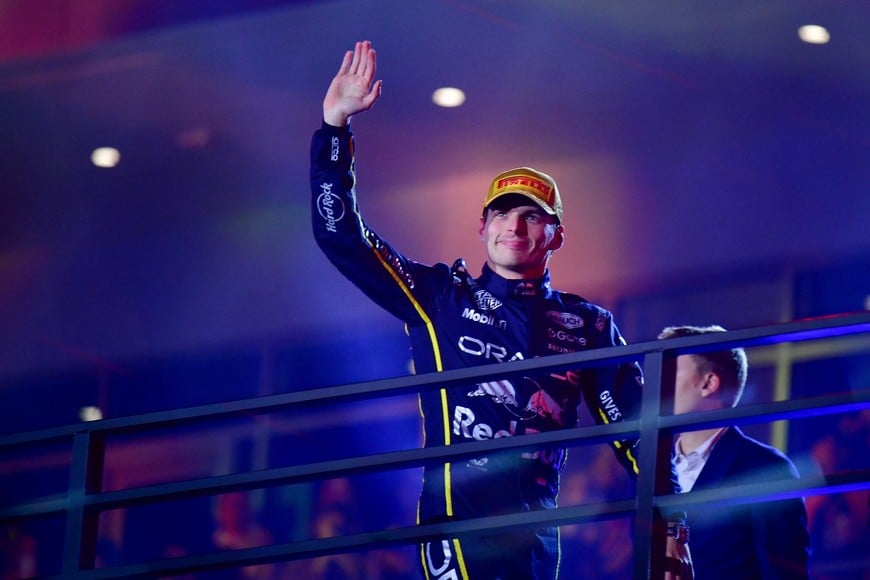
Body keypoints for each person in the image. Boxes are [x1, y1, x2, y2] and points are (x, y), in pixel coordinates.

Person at [310, 40, 691, 579]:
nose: (514, 226)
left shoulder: (586, 324)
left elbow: (637, 432)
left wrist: (670, 532)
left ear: (557, 235)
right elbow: (342, 238)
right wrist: (334, 130)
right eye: (502, 213)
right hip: (456, 525)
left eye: (532, 217)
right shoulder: (441, 296)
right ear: (482, 227)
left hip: (538, 537)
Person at [658, 325, 811, 579]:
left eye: (669, 375)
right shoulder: (650, 469)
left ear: (709, 383)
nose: (655, 387)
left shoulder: (766, 469)